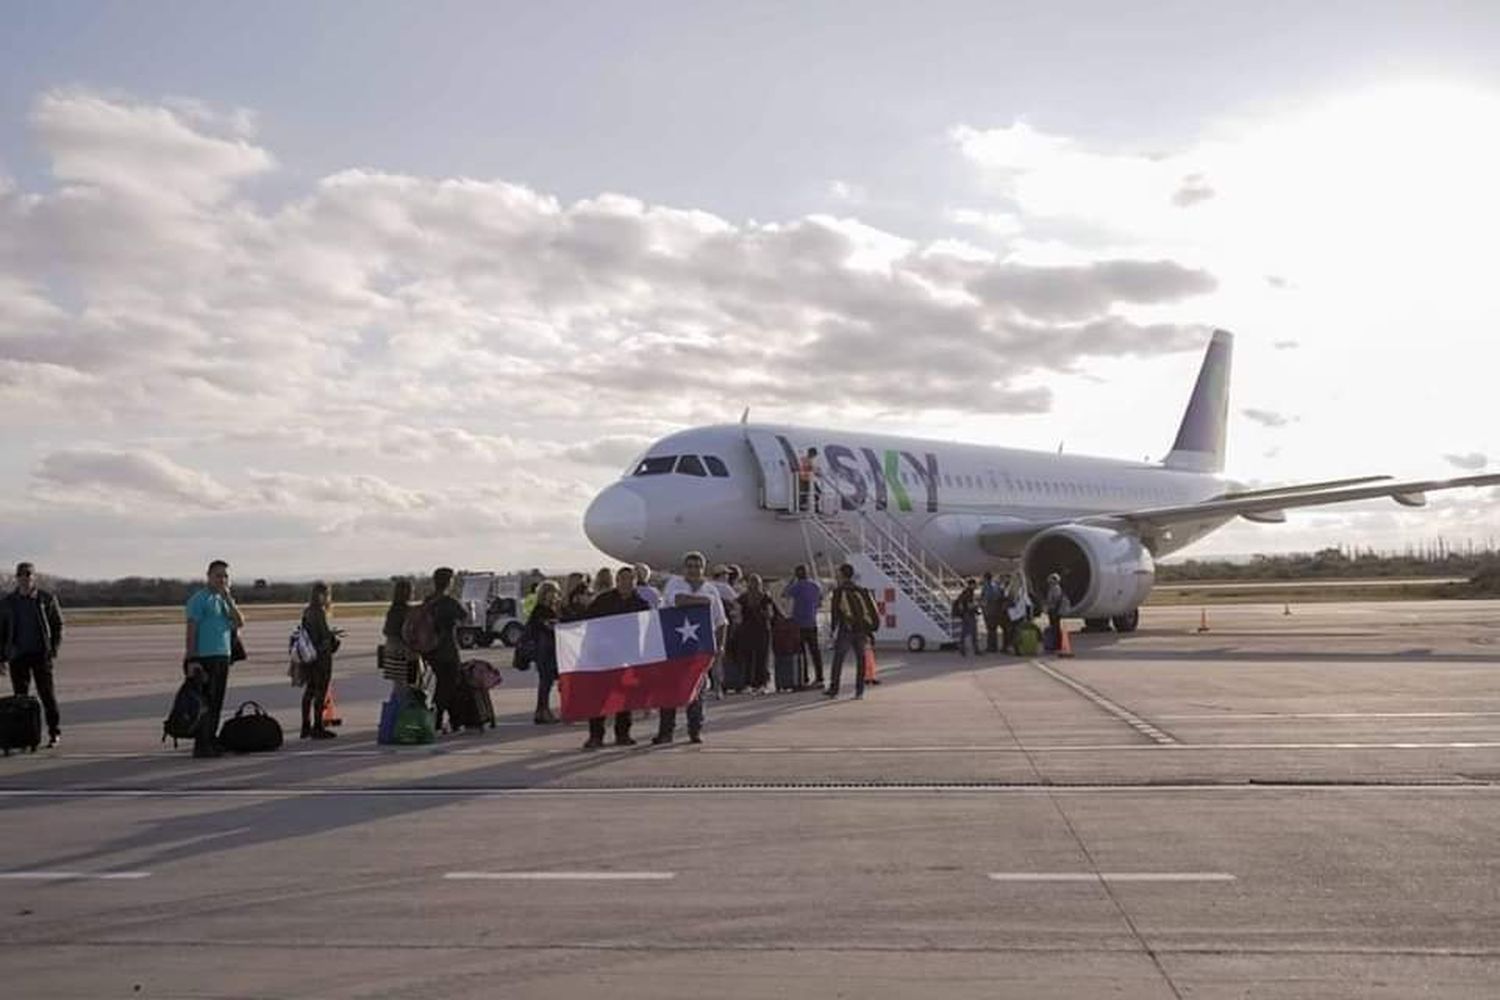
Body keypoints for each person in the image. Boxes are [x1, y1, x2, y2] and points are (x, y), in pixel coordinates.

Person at [656, 551, 726, 744]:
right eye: (690, 566)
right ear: (684, 568)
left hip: (700, 647)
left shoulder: (711, 589)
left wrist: (720, 646)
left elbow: (721, 621)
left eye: (698, 566)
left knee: (697, 690)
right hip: (676, 646)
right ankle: (666, 731)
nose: (694, 570)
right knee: (670, 690)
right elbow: (678, 601)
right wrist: (704, 601)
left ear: (703, 568)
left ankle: (695, 729)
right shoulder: (675, 584)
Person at [183, 559, 245, 758]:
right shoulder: (200, 599)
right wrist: (192, 658)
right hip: (204, 657)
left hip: (222, 655)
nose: (222, 579)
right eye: (218, 575)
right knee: (205, 702)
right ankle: (201, 744)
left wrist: (229, 599)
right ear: (208, 576)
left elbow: (239, 622)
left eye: (225, 576)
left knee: (217, 701)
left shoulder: (223, 600)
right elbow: (191, 629)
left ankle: (211, 738)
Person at [0, 561, 65, 748]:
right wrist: (2, 658)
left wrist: (53, 649)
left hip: (40, 655)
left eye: (28, 575)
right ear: (17, 578)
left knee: (47, 695)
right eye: (21, 575)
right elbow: (1, 631)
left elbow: (58, 625)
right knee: (20, 699)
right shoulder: (7, 603)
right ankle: (23, 736)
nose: (25, 579)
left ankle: (54, 732)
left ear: (33, 577)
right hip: (17, 656)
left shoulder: (46, 599)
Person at [582, 566, 647, 749]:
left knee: (624, 699)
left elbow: (647, 630)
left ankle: (623, 734)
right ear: (616, 581)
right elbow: (586, 620)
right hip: (603, 656)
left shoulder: (641, 604)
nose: (626, 583)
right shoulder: (603, 601)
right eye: (622, 579)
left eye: (630, 579)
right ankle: (596, 736)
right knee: (599, 698)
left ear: (635, 582)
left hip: (627, 657)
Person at [422, 567, 469, 734]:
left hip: (431, 650)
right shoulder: (449, 602)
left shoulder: (428, 601)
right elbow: (465, 617)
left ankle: (455, 720)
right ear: (449, 582)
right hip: (447, 649)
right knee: (448, 685)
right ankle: (438, 719)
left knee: (447, 684)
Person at [825, 563, 879, 700]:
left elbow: (835, 613)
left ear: (842, 574)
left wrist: (832, 630)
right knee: (861, 659)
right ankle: (859, 691)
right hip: (861, 630)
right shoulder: (861, 590)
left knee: (838, 659)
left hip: (846, 629)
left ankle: (834, 689)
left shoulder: (839, 591)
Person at [299, 582, 340, 740]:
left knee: (309, 691)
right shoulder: (319, 612)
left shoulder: (308, 610)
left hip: (309, 656)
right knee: (320, 692)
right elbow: (323, 638)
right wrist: (333, 639)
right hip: (321, 658)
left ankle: (305, 725)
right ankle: (317, 726)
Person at [780, 564, 824, 688]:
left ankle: (803, 678)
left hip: (798, 623)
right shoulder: (815, 586)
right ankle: (820, 677)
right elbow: (820, 601)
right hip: (812, 622)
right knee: (815, 652)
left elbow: (784, 594)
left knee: (801, 652)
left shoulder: (796, 587)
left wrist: (791, 581)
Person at [525, 580, 562, 724]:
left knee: (546, 682)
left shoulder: (548, 609)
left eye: (555, 592)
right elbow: (548, 627)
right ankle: (543, 711)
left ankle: (541, 711)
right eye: (550, 592)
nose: (553, 595)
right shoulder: (541, 610)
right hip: (544, 651)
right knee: (546, 682)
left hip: (548, 650)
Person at [736, 574, 776, 694]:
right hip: (762, 630)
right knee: (762, 658)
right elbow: (770, 614)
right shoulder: (765, 597)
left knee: (748, 658)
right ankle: (762, 683)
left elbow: (737, 614)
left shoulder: (743, 598)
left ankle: (748, 683)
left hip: (747, 630)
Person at [381, 578, 418, 692]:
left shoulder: (393, 610)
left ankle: (396, 708)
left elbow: (386, 630)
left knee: (398, 688)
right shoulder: (409, 611)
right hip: (405, 654)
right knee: (408, 688)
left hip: (392, 651)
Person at [711, 564, 741, 695]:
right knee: (723, 654)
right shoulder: (725, 588)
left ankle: (713, 684)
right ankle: (724, 684)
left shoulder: (709, 586)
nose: (728, 576)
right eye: (726, 574)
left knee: (711, 656)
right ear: (722, 575)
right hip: (723, 624)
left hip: (710, 624)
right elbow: (737, 602)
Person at [952, 578, 980, 657]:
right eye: (974, 585)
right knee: (973, 632)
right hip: (968, 615)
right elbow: (969, 605)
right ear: (971, 585)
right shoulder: (969, 593)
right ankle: (976, 650)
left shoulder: (965, 592)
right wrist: (977, 606)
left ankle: (962, 648)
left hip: (965, 615)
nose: (975, 586)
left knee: (964, 632)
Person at [980, 571, 1004, 654]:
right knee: (993, 629)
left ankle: (991, 647)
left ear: (985, 578)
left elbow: (986, 599)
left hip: (989, 611)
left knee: (990, 630)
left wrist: (982, 605)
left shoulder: (987, 587)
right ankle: (994, 646)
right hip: (996, 611)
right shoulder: (996, 586)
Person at [1044, 572, 1068, 644]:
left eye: (1050, 579)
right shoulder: (1052, 588)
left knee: (1055, 626)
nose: (1049, 581)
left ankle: (1057, 642)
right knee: (1054, 626)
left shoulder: (1056, 588)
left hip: (1055, 610)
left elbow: (1057, 600)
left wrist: (1054, 610)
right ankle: (1055, 641)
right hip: (1052, 609)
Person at [797, 447, 819, 513]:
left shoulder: (803, 459)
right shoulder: (810, 460)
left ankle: (801, 506)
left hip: (803, 478)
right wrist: (817, 472)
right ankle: (815, 508)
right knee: (816, 493)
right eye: (814, 455)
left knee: (805, 494)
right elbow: (814, 469)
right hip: (808, 479)